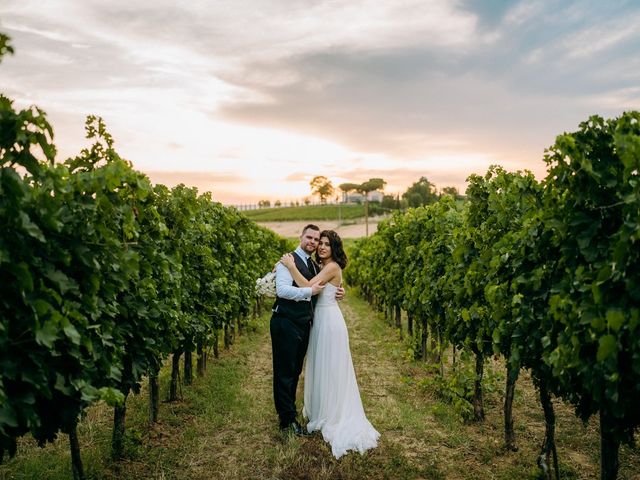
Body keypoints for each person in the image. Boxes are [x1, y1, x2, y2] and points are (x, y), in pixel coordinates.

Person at [280, 230, 379, 458]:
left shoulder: (332, 267)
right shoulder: (322, 266)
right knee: (322, 366)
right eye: (320, 243)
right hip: (320, 321)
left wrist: (290, 265)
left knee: (332, 368)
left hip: (330, 323)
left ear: (334, 248)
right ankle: (322, 408)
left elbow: (306, 285)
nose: (322, 247)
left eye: (327, 244)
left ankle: (333, 414)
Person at [270, 224, 344, 436]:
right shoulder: (287, 261)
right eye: (310, 238)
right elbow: (283, 290)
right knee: (284, 373)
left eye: (318, 240)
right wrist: (308, 291)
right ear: (301, 237)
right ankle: (286, 421)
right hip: (285, 322)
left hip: (304, 324)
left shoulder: (313, 265)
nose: (314, 243)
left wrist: (338, 290)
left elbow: (327, 282)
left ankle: (290, 414)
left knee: (294, 371)